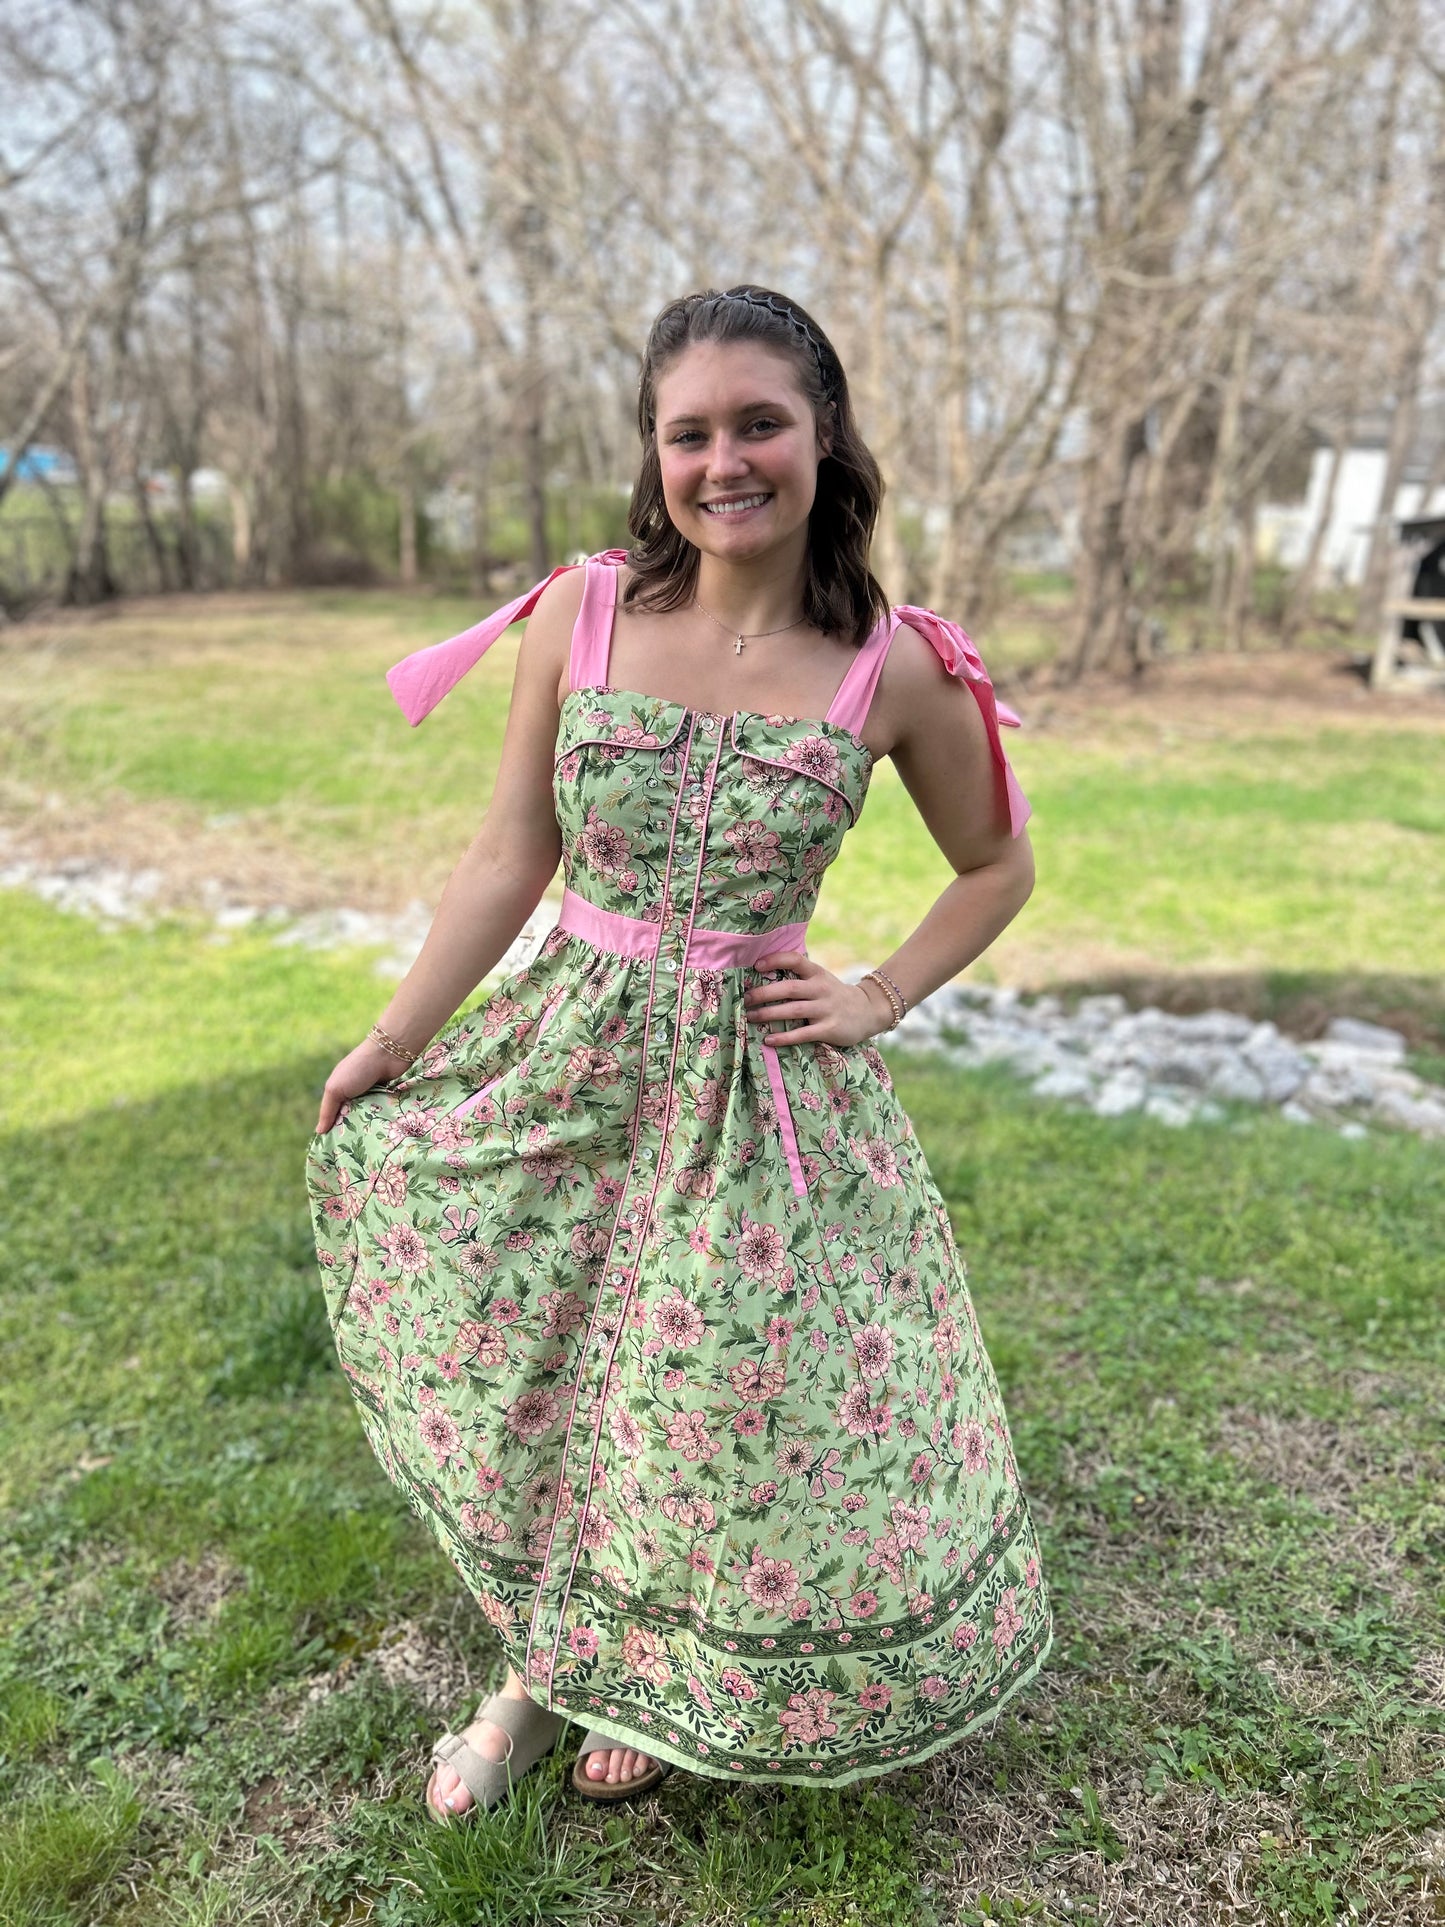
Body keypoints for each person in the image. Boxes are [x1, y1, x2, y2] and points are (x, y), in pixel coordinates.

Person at [307, 284, 1053, 1822]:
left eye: (759, 423)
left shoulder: (892, 664)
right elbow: (511, 853)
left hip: (759, 1090)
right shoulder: (582, 612)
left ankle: (652, 1675)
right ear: (653, 455)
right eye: (688, 431)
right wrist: (396, 1037)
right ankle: (537, 1675)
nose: (725, 461)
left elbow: (996, 866)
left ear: (822, 436)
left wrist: (878, 993)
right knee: (547, 1371)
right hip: (570, 1052)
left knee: (704, 1399)